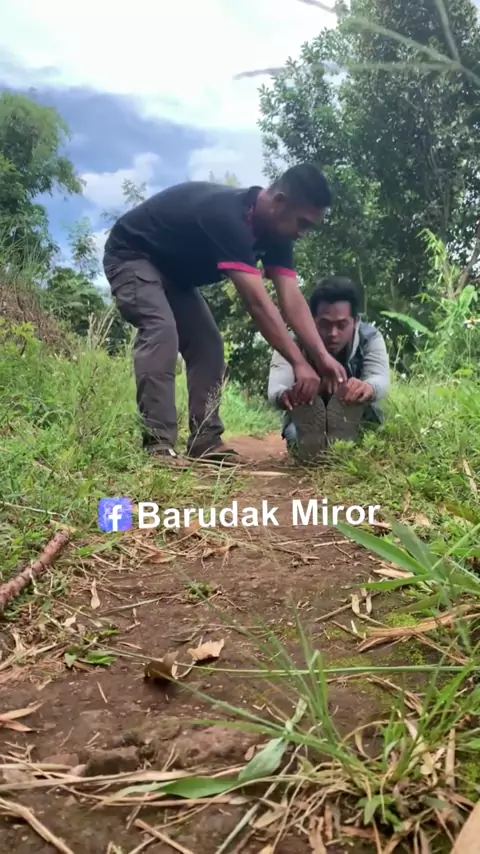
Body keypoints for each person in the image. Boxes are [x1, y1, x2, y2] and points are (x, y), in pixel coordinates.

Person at [102, 164, 347, 464]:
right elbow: (258, 304)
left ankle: (205, 441)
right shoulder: (228, 217)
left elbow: (292, 299)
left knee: (208, 345)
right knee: (160, 330)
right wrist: (299, 362)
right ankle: (158, 445)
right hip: (133, 255)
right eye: (302, 222)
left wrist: (321, 357)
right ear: (280, 202)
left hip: (176, 276)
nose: (302, 233)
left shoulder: (279, 235)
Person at [267, 276, 390, 460]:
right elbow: (276, 387)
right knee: (295, 437)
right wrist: (287, 395)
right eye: (325, 324)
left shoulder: (370, 338)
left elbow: (380, 378)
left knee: (369, 437)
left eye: (342, 325)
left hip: (355, 416)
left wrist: (368, 388)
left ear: (355, 321)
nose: (333, 334)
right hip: (307, 415)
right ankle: (319, 446)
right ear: (311, 320)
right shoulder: (290, 343)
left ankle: (341, 441)